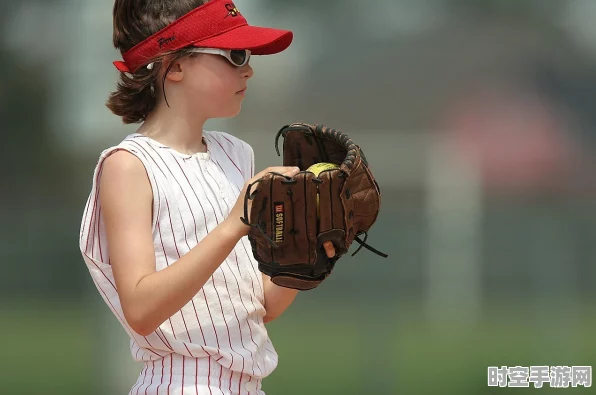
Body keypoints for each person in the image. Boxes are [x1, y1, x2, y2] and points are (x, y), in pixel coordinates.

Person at [78, 0, 335, 393]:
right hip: (179, 383)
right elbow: (141, 309)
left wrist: (314, 252)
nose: (248, 68)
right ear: (174, 64)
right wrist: (235, 223)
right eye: (234, 54)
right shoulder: (129, 166)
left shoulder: (235, 153)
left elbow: (259, 307)